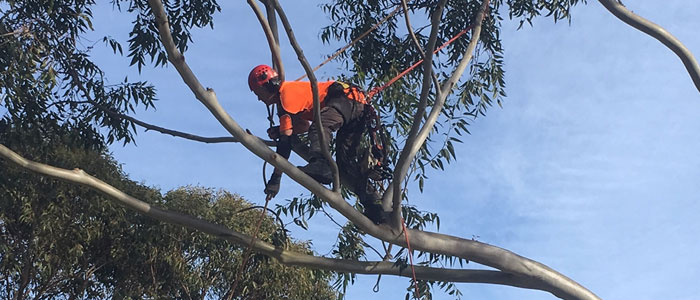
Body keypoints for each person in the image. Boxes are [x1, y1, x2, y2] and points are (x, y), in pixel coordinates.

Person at [248, 64, 386, 224]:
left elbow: (285, 142)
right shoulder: (288, 100)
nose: (259, 98)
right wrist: (280, 130)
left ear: (268, 86)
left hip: (344, 99)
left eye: (258, 93)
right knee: (346, 164)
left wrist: (275, 179)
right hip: (357, 105)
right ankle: (375, 206)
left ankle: (322, 164)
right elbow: (302, 126)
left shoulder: (285, 94)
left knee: (320, 126)